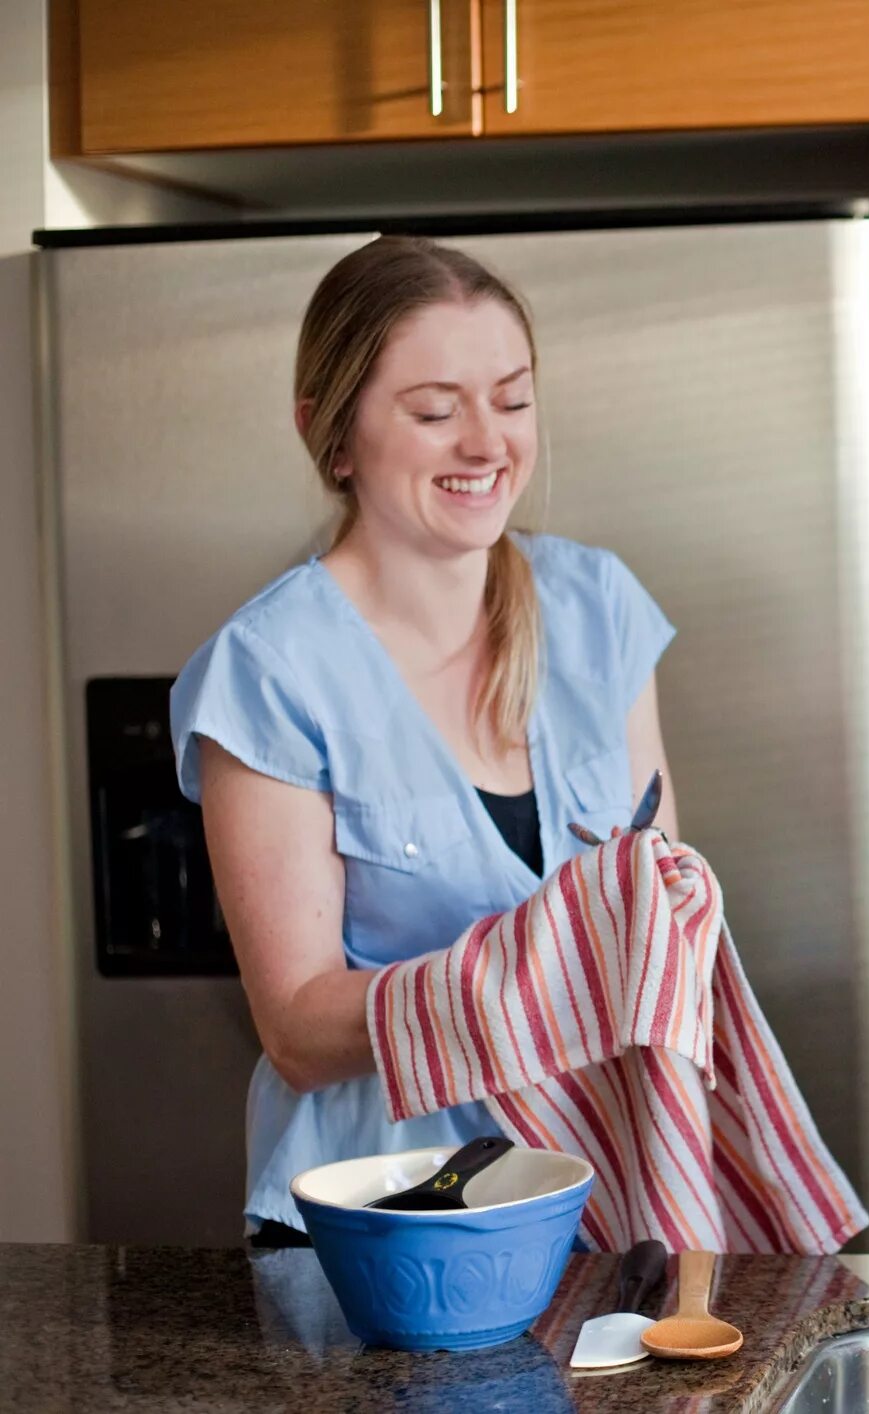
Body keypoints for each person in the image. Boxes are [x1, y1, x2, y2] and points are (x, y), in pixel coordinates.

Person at [171, 236, 677, 1245]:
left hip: (597, 1201)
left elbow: (655, 900)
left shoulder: (597, 608)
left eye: (513, 399)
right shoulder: (270, 672)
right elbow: (300, 1031)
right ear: (333, 437)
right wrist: (526, 978)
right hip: (379, 1225)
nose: (487, 443)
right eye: (436, 410)